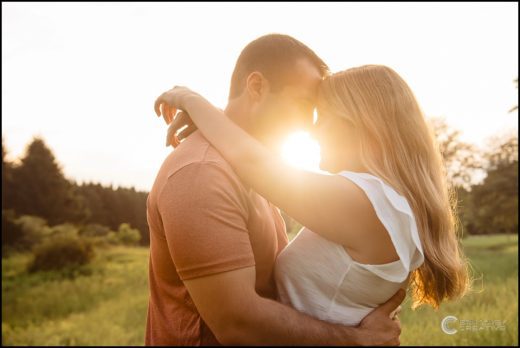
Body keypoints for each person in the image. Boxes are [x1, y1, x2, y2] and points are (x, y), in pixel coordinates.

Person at [155, 61, 472, 338]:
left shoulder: (369, 203)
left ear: (360, 122)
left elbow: (254, 164)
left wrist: (192, 100)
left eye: (323, 116)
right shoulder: (393, 206)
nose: (313, 129)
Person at [146, 34, 405, 346]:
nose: (311, 126)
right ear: (256, 87)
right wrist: (357, 339)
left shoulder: (256, 173)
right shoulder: (203, 173)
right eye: (304, 105)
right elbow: (237, 324)